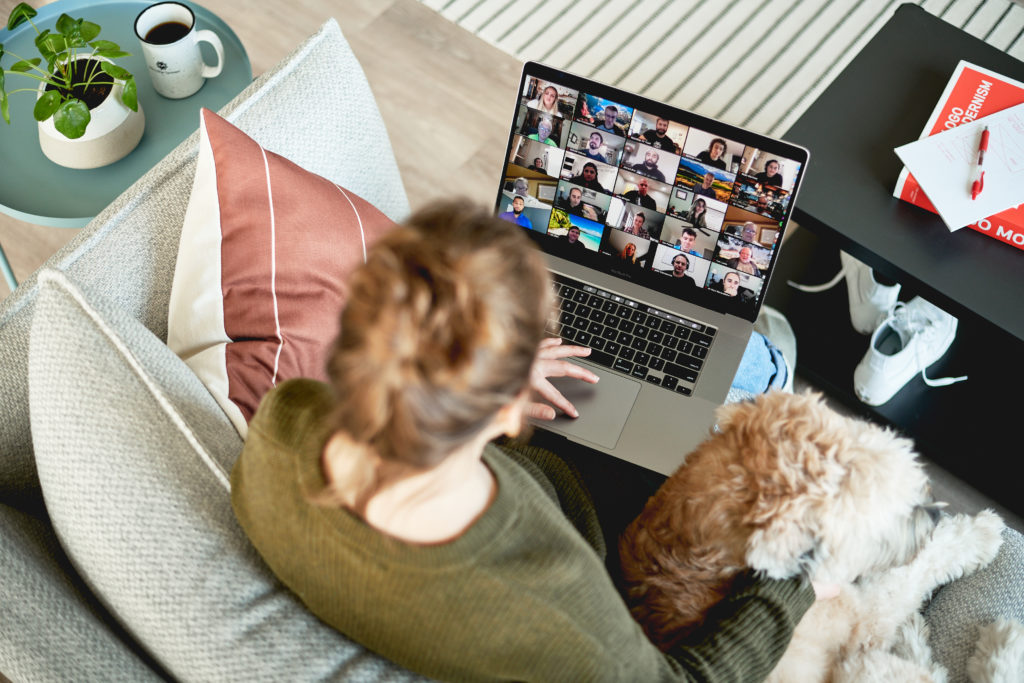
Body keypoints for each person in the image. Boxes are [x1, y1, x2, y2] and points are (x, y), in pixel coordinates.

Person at [232, 202, 818, 681]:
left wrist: (491, 376)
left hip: (505, 467)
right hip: (595, 524)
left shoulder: (285, 423)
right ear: (514, 413)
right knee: (763, 366)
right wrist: (795, 581)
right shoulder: (554, 601)